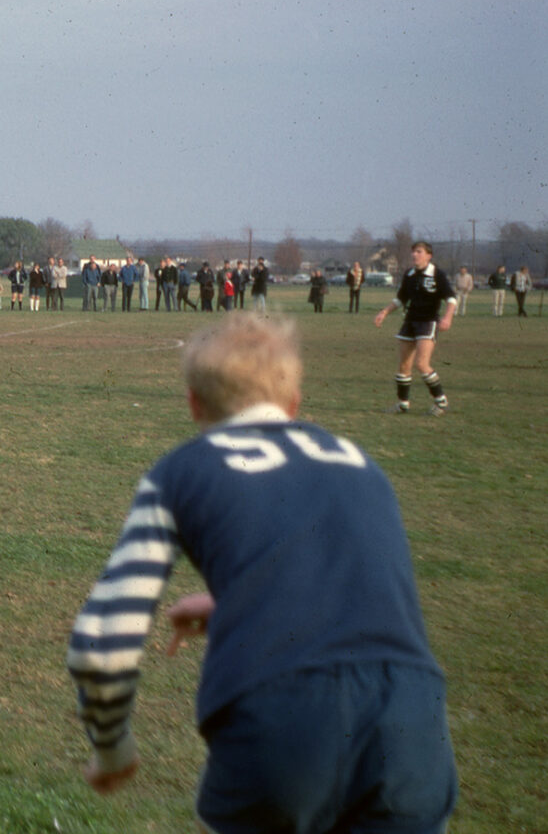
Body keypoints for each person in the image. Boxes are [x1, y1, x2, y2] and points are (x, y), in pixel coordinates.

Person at [67, 312, 457, 833]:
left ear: (194, 403)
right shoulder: (362, 464)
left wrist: (113, 752)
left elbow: (101, 644)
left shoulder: (179, 472)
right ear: (293, 404)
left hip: (281, 722)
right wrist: (231, 602)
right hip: (412, 723)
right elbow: (354, 585)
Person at [375, 240, 456, 415]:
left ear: (429, 255)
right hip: (410, 321)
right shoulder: (409, 274)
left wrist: (447, 317)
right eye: (413, 252)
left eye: (419, 252)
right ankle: (403, 404)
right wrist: (384, 312)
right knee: (404, 365)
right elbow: (401, 299)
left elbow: (451, 299)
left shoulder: (437, 275)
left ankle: (441, 402)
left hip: (428, 322)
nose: (414, 255)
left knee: (421, 364)